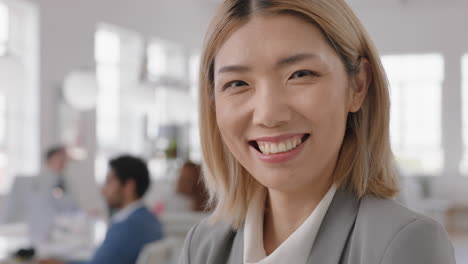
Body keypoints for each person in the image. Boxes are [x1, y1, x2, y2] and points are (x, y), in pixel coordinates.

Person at [179, 0, 456, 263]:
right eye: (237, 83)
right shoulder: (202, 246)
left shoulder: (404, 243)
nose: (268, 115)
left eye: (300, 74)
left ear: (357, 86)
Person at [40, 155, 164, 264]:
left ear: (129, 186)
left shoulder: (127, 227)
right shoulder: (150, 219)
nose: (103, 190)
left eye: (109, 182)